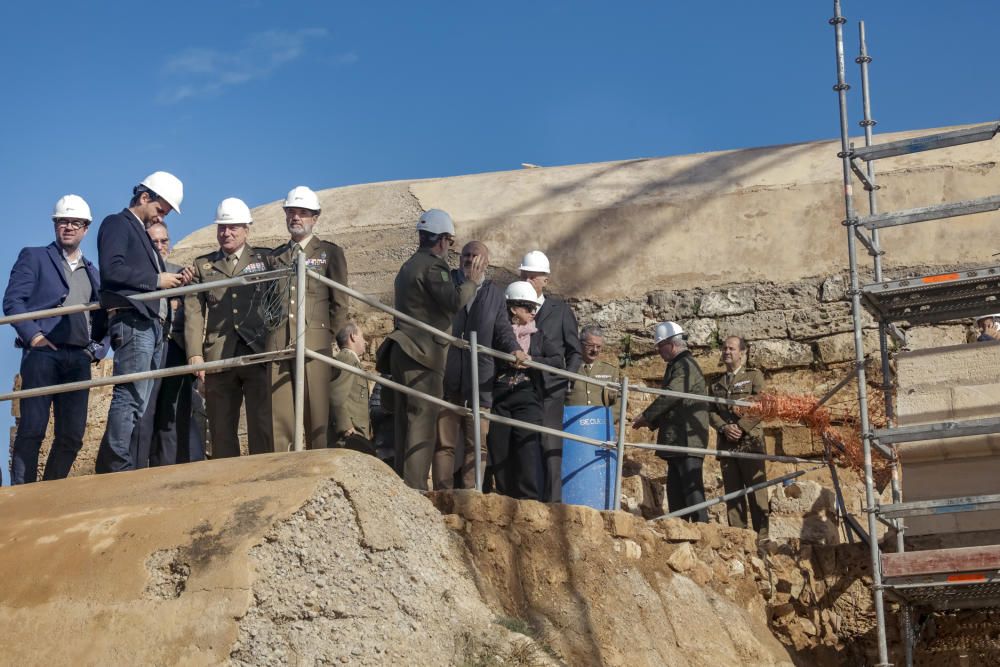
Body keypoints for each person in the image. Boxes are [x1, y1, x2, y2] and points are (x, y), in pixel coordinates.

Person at [377, 209, 485, 490]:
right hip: (423, 356)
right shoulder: (433, 267)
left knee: (405, 423)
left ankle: (404, 486)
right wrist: (470, 282)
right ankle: (415, 490)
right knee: (421, 426)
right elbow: (451, 301)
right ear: (442, 240)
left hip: (403, 351)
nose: (449, 248)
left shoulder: (408, 266)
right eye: (449, 242)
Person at [3, 195, 104, 483]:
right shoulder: (34, 256)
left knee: (72, 435)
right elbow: (13, 301)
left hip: (78, 358)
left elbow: (104, 317)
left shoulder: (94, 273)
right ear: (54, 225)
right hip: (42, 354)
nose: (68, 227)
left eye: (75, 222)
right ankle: (22, 493)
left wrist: (96, 349)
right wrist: (33, 336)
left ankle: (50, 491)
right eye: (62, 221)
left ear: (86, 228)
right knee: (32, 428)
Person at [95, 171, 190, 473]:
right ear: (145, 197)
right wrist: (155, 279)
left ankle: (117, 460)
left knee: (139, 400)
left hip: (149, 323)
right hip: (133, 320)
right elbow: (111, 270)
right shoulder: (117, 223)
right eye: (160, 210)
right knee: (130, 395)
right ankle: (116, 463)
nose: (162, 216)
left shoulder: (141, 233)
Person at [185, 198, 273, 459]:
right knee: (221, 427)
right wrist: (195, 354)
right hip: (218, 357)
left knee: (262, 423)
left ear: (247, 229)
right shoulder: (203, 266)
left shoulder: (266, 260)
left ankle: (263, 473)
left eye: (233, 227)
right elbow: (194, 313)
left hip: (258, 352)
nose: (227, 233)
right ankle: (226, 479)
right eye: (222, 227)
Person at [435, 241, 527, 490]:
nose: (470, 260)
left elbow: (502, 330)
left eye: (476, 256)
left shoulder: (494, 293)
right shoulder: (449, 284)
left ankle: (470, 494)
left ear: (486, 261)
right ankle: (442, 493)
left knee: (477, 441)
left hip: (480, 379)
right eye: (466, 255)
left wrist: (514, 349)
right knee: (445, 442)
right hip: (449, 375)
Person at [266, 186, 348, 451]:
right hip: (280, 345)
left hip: (315, 344)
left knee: (318, 420)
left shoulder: (329, 253)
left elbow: (340, 302)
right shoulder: (275, 257)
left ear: (315, 217)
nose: (296, 217)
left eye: (302, 213)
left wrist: (325, 337)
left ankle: (318, 474)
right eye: (291, 212)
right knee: (280, 421)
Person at [130, 223, 204, 467]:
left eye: (164, 241)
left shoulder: (183, 274)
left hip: (175, 347)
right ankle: (137, 469)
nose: (160, 247)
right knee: (143, 411)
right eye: (154, 242)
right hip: (148, 348)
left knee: (174, 413)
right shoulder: (135, 275)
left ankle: (170, 471)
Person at [487, 281, 564, 499]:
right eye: (528, 308)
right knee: (500, 448)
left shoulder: (538, 336)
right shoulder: (498, 334)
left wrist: (533, 360)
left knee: (528, 449)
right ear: (513, 309)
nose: (533, 313)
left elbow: (558, 360)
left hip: (527, 395)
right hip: (500, 395)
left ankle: (528, 499)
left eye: (534, 309)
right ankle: (503, 495)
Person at [519, 250, 582, 502]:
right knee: (526, 443)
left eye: (535, 277)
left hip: (550, 388)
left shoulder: (560, 310)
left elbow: (574, 350)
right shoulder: (513, 305)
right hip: (522, 387)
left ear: (544, 280)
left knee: (550, 446)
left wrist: (567, 378)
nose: (529, 281)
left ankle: (554, 503)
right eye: (526, 276)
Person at [631, 321, 710, 523]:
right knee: (676, 492)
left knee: (692, 491)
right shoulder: (678, 365)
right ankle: (680, 528)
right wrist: (652, 422)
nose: (658, 350)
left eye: (660, 346)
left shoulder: (684, 366)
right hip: (679, 440)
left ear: (671, 344)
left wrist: (647, 417)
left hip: (686, 440)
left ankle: (703, 530)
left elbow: (670, 395)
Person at [709, 336, 769, 537]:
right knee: (733, 495)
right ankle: (738, 538)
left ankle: (762, 538)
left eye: (731, 348)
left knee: (757, 492)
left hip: (750, 442)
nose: (726, 352)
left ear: (742, 353)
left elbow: (763, 405)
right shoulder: (716, 384)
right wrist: (725, 428)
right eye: (724, 348)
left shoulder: (754, 376)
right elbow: (710, 411)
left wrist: (741, 427)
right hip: (727, 443)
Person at [329, 322, 372, 452]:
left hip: (357, 433)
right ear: (353, 337)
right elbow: (336, 394)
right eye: (363, 337)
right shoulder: (347, 359)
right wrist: (346, 427)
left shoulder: (352, 361)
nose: (366, 342)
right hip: (350, 436)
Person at [565, 324, 620, 426]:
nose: (595, 350)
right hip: (572, 424)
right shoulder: (568, 367)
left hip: (600, 426)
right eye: (590, 345)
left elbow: (620, 399)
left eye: (598, 346)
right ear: (580, 344)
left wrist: (608, 418)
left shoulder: (610, 370)